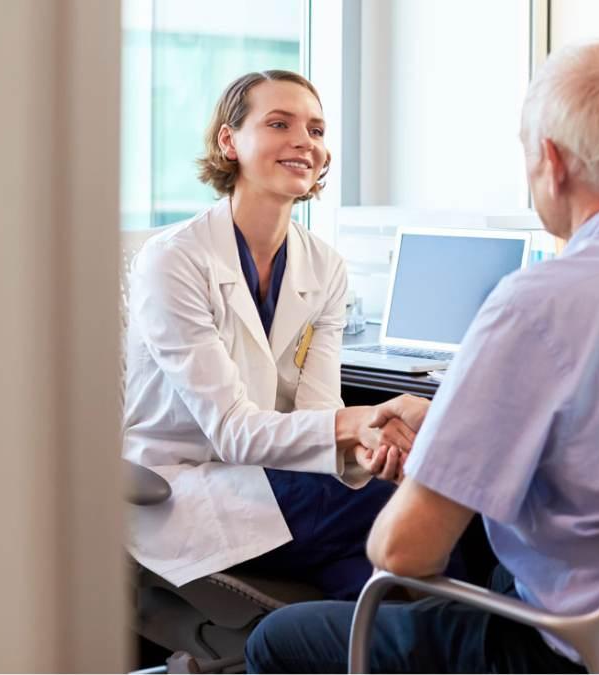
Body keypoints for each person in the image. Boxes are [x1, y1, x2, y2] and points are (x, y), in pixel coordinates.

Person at [245, 39, 599, 673]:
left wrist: (442, 453)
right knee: (498, 573)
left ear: (551, 162)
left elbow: (404, 554)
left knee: (281, 640)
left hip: (593, 653)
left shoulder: (541, 302)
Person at [122, 70, 419, 600]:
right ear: (228, 141)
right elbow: (234, 433)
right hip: (187, 485)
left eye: (317, 129)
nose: (305, 141)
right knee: (419, 507)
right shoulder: (175, 261)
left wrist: (367, 444)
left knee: (396, 586)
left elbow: (319, 409)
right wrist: (358, 423)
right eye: (279, 124)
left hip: (282, 480)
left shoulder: (324, 266)